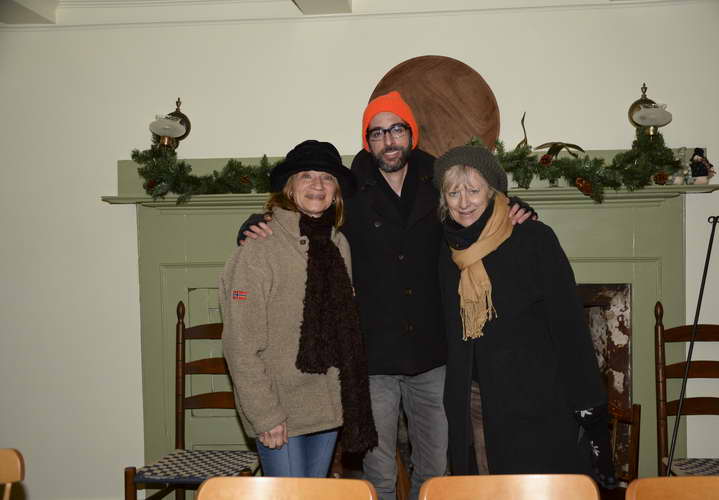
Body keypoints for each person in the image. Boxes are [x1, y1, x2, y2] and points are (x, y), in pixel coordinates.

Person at [236, 92, 533, 499]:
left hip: (433, 355)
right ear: (367, 140)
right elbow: (304, 217)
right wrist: (257, 221)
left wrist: (512, 206)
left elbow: (474, 205)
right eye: (377, 133)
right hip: (371, 360)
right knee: (377, 478)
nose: (389, 140)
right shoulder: (348, 189)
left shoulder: (439, 181)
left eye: (396, 129)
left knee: (434, 473)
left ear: (412, 133)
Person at [433, 145, 611, 478]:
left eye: (474, 190)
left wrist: (587, 399)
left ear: (493, 192)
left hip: (535, 397)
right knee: (485, 488)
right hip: (474, 399)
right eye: (453, 193)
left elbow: (568, 324)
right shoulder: (446, 251)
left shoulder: (534, 238)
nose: (464, 202)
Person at [219, 139, 377, 478]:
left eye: (327, 178)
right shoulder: (259, 249)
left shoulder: (339, 244)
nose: (318, 185)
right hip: (279, 410)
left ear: (336, 192)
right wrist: (265, 414)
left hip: (326, 408)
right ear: (289, 188)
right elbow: (239, 344)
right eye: (307, 175)